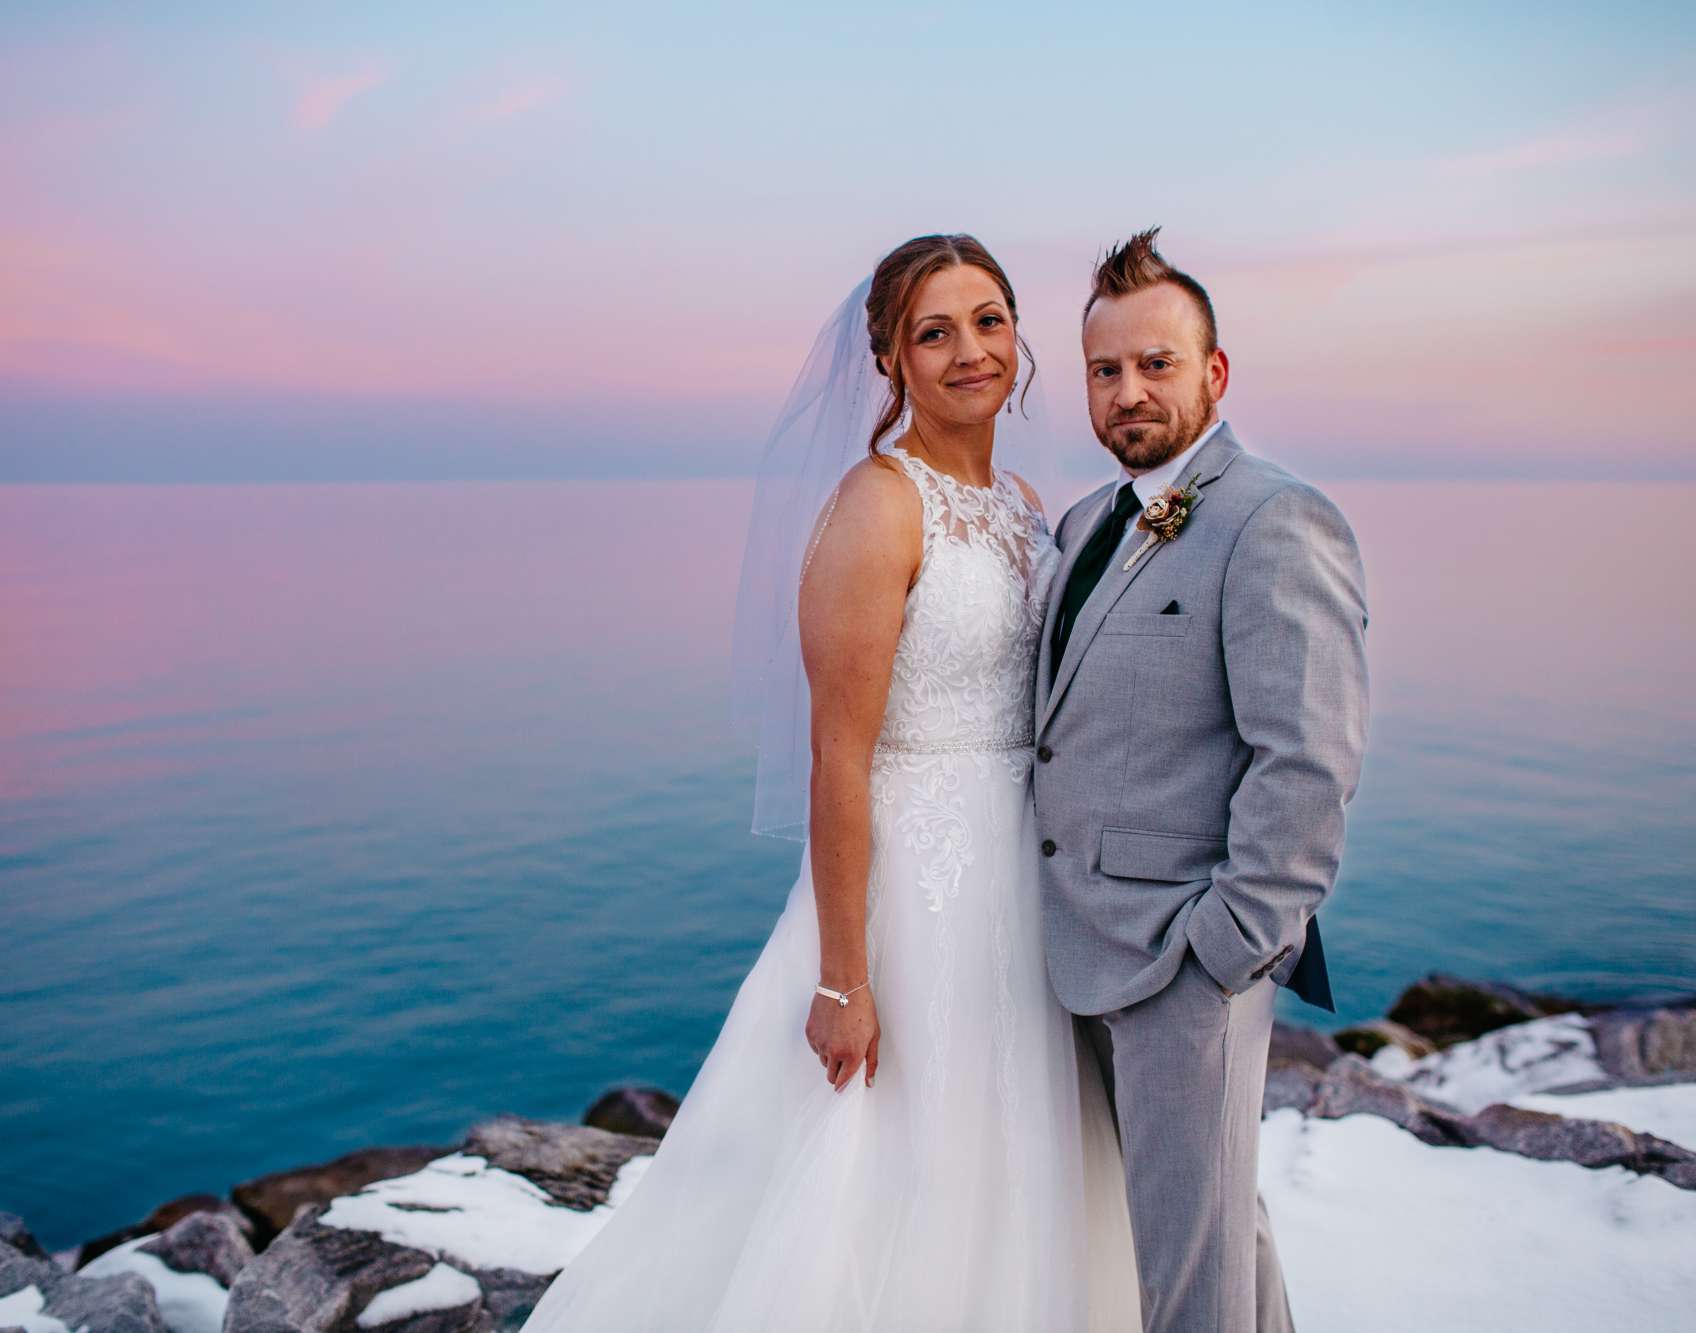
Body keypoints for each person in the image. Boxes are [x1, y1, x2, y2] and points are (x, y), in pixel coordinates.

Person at [519, 234, 1143, 1331]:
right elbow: (838, 753)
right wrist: (842, 978)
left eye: (987, 320)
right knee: (898, 1155)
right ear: (891, 361)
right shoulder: (877, 505)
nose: (968, 352)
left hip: (1023, 877)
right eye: (933, 332)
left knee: (1018, 1148)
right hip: (918, 889)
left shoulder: (1021, 498)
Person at [1034, 227, 1371, 1332]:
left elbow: (1308, 757)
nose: (1128, 391)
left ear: (1212, 374)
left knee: (1187, 1281)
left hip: (1182, 962)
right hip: (1077, 943)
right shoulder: (1088, 523)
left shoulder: (1272, 519)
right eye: (1104, 369)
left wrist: (1226, 949)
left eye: (1155, 363)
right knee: (1216, 1240)